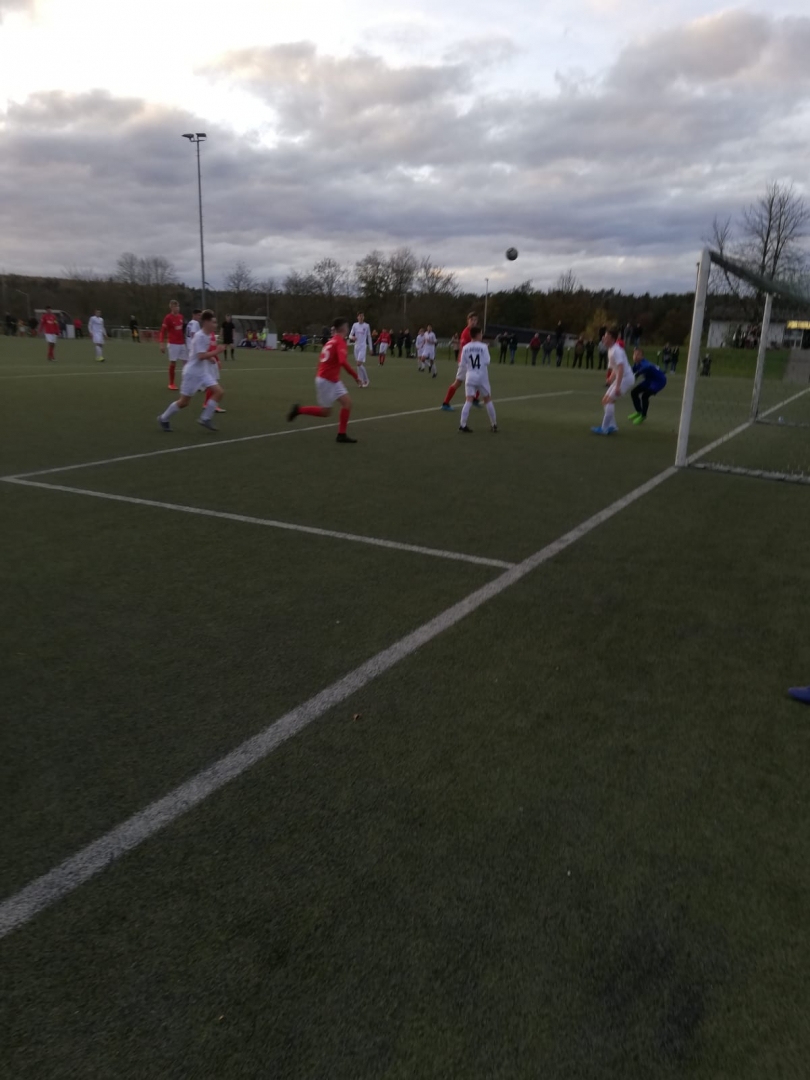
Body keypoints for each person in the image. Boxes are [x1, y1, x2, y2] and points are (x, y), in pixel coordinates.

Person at [287, 317, 360, 444]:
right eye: (347, 327)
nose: (348, 329)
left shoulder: (331, 341)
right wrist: (355, 376)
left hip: (331, 379)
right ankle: (298, 410)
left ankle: (341, 435)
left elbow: (322, 360)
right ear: (343, 328)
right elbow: (342, 362)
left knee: (347, 403)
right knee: (325, 412)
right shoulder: (339, 342)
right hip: (327, 380)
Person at [157, 309, 225, 432]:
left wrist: (210, 357)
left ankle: (205, 418)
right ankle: (163, 418)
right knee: (184, 402)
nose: (216, 325)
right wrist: (216, 352)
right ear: (206, 322)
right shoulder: (199, 336)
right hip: (192, 373)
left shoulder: (207, 336)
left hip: (203, 372)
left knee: (219, 392)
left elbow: (201, 353)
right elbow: (200, 356)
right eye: (213, 322)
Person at [591, 327, 635, 435]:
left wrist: (617, 386)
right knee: (605, 400)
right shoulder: (611, 349)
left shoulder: (616, 350)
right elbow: (615, 368)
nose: (603, 338)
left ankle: (604, 428)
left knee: (610, 401)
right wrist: (610, 378)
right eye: (604, 336)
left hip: (626, 378)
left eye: (606, 337)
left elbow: (621, 368)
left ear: (612, 339)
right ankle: (612, 426)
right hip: (622, 378)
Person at [457, 326, 497, 434]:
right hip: (481, 376)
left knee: (468, 400)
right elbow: (487, 361)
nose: (482, 335)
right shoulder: (483, 347)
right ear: (478, 335)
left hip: (470, 375)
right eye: (481, 333)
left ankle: (462, 424)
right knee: (487, 399)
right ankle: (494, 424)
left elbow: (462, 363)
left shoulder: (465, 347)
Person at [441, 311, 481, 412]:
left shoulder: (475, 332)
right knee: (458, 382)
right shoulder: (466, 333)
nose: (473, 322)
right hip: (465, 362)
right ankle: (445, 403)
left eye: (475, 320)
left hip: (472, 361)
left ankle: (474, 399)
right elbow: (465, 347)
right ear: (468, 321)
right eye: (471, 320)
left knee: (479, 380)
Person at [628, 348, 667, 424]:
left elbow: (647, 367)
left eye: (638, 355)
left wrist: (637, 374)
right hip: (649, 380)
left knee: (645, 396)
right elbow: (629, 371)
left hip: (659, 381)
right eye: (634, 354)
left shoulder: (644, 363)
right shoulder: (637, 364)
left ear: (642, 357)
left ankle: (643, 415)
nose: (635, 356)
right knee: (634, 392)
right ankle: (639, 411)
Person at [159, 300, 187, 391]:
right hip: (173, 344)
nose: (177, 308)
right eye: (175, 307)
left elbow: (182, 330)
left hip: (182, 343)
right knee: (173, 363)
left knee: (186, 362)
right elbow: (162, 331)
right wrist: (161, 343)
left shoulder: (181, 317)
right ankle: (171, 383)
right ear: (171, 308)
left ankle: (186, 381)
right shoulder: (168, 318)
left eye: (178, 306)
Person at [350, 311, 372, 387]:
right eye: (359, 316)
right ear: (357, 317)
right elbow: (350, 335)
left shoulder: (367, 326)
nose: (361, 317)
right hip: (356, 347)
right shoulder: (355, 325)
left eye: (362, 316)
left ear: (364, 317)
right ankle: (361, 381)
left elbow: (369, 337)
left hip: (363, 347)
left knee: (358, 363)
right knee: (358, 366)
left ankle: (366, 380)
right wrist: (352, 337)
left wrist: (371, 348)